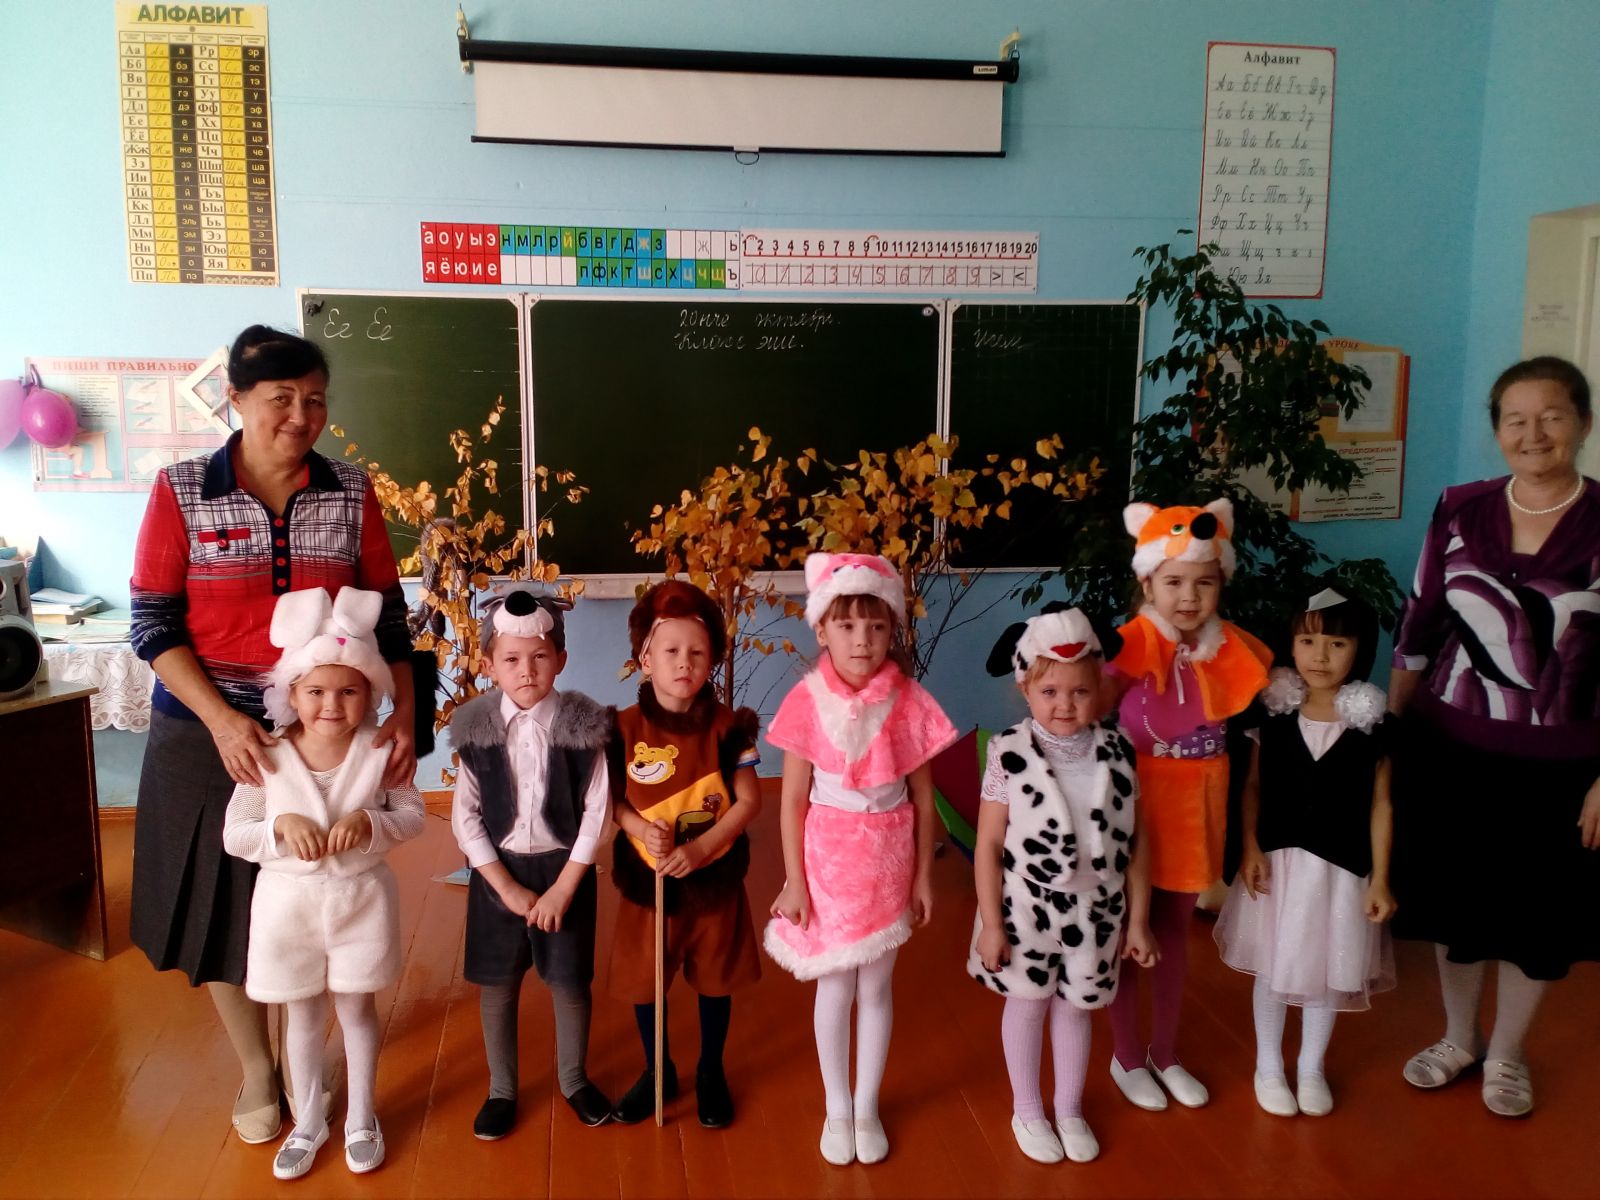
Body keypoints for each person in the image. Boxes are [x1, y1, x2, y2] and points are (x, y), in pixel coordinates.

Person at [129, 325, 415, 1144]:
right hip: (207, 728)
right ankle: (259, 1067)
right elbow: (153, 624)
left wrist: (405, 715)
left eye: (315, 399)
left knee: (319, 886)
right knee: (222, 902)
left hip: (327, 726)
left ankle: (308, 1057)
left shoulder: (350, 490)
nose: (301, 415)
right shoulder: (182, 489)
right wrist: (223, 720)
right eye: (281, 398)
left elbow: (390, 619)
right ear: (237, 399)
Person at [1388, 356, 1600, 1118]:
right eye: (1516, 419)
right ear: (1497, 430)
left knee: (1538, 917)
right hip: (1452, 746)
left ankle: (1507, 1051)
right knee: (1457, 906)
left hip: (1564, 764)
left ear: (1583, 423)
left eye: (1552, 416)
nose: (1533, 433)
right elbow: (1418, 623)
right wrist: (1391, 732)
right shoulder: (1460, 506)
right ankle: (1459, 1037)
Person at [221, 587, 425, 1179]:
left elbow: (413, 815)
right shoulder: (267, 756)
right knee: (304, 1016)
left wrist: (371, 824)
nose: (331, 705)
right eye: (315, 691)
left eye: (348, 691)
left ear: (371, 693)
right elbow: (236, 834)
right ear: (292, 694)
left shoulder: (379, 752)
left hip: (361, 903)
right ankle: (308, 1120)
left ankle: (362, 1115)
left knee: (357, 1010)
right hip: (287, 910)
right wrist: (279, 828)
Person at [764, 553, 959, 1167]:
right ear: (822, 629)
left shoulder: (909, 701)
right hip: (828, 861)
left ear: (892, 630)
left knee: (875, 985)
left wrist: (923, 876)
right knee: (835, 984)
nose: (862, 640)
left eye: (876, 627)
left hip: (890, 860)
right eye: (846, 626)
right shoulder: (806, 701)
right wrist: (795, 882)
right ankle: (838, 1107)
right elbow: (792, 800)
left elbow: (924, 797)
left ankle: (867, 1106)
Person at [968, 608, 1156, 1165]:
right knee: (1028, 1004)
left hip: (1098, 911)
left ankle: (1069, 1108)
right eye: (1049, 691)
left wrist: (1138, 921)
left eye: (1079, 691)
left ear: (1099, 688)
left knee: (1077, 1009)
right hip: (1025, 908)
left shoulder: (1119, 752)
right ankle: (1028, 1109)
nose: (1065, 704)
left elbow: (1137, 845)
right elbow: (988, 843)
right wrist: (992, 925)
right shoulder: (1009, 752)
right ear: (1025, 688)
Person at [1104, 499, 1272, 1110]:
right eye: (1173, 581)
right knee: (1130, 929)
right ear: (1148, 582)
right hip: (1138, 804)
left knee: (1174, 932)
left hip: (1200, 802)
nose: (1188, 596)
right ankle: (1126, 1055)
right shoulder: (1132, 643)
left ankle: (1165, 1052)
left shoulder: (1230, 647)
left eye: (1204, 582)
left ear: (1221, 583)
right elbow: (1085, 710)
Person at [1214, 589, 1397, 1118]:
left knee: (1326, 968)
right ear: (1291, 644)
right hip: (1279, 866)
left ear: (1359, 650)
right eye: (1308, 641)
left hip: (1341, 872)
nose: (1320, 656)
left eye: (1337, 643)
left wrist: (1381, 878)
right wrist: (1250, 847)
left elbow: (1381, 804)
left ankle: (1311, 1066)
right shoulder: (1272, 714)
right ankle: (1269, 1066)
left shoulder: (1372, 723)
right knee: (1273, 963)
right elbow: (1251, 787)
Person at [449, 589, 614, 1139]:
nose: (526, 670)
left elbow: (598, 813)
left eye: (540, 656)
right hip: (500, 877)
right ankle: (502, 1089)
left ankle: (574, 1080)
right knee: (498, 984)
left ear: (560, 660)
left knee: (569, 981)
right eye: (512, 659)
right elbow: (466, 818)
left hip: (565, 873)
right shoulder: (476, 732)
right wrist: (505, 887)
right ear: (489, 664)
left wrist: (565, 888)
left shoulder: (583, 729)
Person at [606, 580, 763, 1128]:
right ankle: (658, 1070)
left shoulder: (729, 728)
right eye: (670, 650)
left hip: (712, 879)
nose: (684, 662)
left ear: (712, 659)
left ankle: (711, 1070)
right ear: (645, 659)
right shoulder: (621, 729)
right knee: (646, 980)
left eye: (697, 652)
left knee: (716, 978)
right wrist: (638, 827)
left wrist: (701, 850)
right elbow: (613, 802)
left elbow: (749, 801)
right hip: (648, 883)